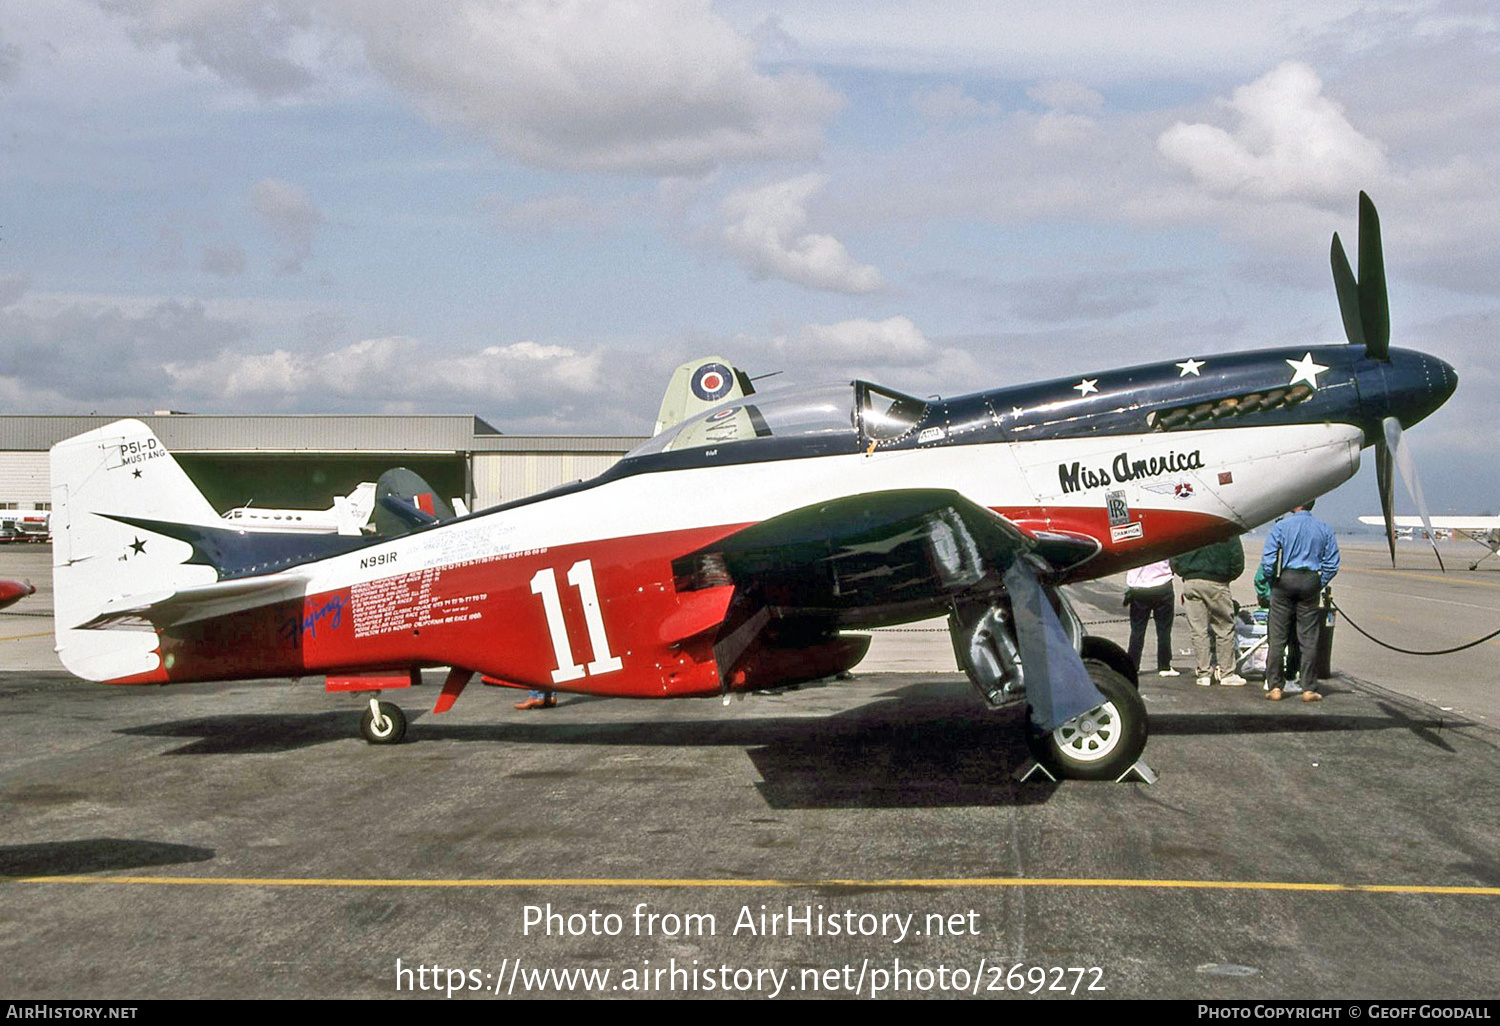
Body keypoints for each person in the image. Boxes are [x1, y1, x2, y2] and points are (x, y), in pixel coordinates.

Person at [1259, 500, 1340, 702]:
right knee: (1308, 638)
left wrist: (1273, 581)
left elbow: (1268, 560)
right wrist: (1318, 583)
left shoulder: (1281, 526)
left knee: (1277, 636)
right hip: (1310, 579)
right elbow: (1332, 563)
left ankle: (1275, 686)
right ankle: (1308, 688)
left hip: (1286, 579)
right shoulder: (1324, 528)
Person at [1171, 537, 1247, 687]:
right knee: (1224, 628)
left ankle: (1204, 673)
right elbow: (1237, 560)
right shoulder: (1227, 531)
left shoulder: (1189, 528)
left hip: (1191, 581)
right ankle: (1226, 673)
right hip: (1217, 582)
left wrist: (1184, 572)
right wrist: (1226, 577)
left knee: (1198, 630)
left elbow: (1175, 557)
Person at [1125, 558, 1178, 677]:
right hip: (1163, 584)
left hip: (1139, 587)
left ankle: (1133, 665)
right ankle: (1164, 665)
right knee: (1164, 629)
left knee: (1137, 630)